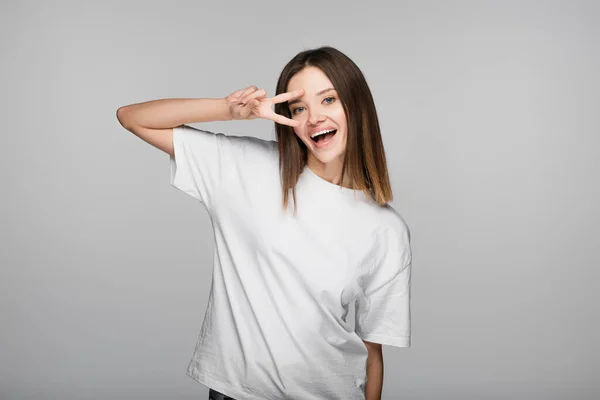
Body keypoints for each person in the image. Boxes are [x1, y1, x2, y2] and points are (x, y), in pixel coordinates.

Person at [116, 46, 412, 400]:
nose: (314, 117)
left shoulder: (386, 229)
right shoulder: (245, 167)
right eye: (299, 108)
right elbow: (132, 117)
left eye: (329, 100)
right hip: (236, 393)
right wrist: (228, 110)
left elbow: (372, 354)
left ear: (357, 106)